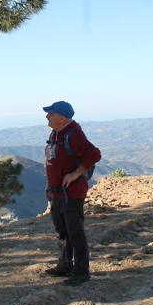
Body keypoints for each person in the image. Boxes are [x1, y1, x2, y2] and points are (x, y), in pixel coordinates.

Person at [43, 100, 101, 286]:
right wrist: (50, 187)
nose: (47, 116)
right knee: (62, 232)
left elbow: (94, 154)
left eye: (51, 113)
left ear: (62, 117)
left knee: (75, 233)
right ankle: (65, 265)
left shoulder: (74, 134)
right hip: (57, 194)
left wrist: (75, 174)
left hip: (72, 194)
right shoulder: (56, 134)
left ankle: (81, 272)